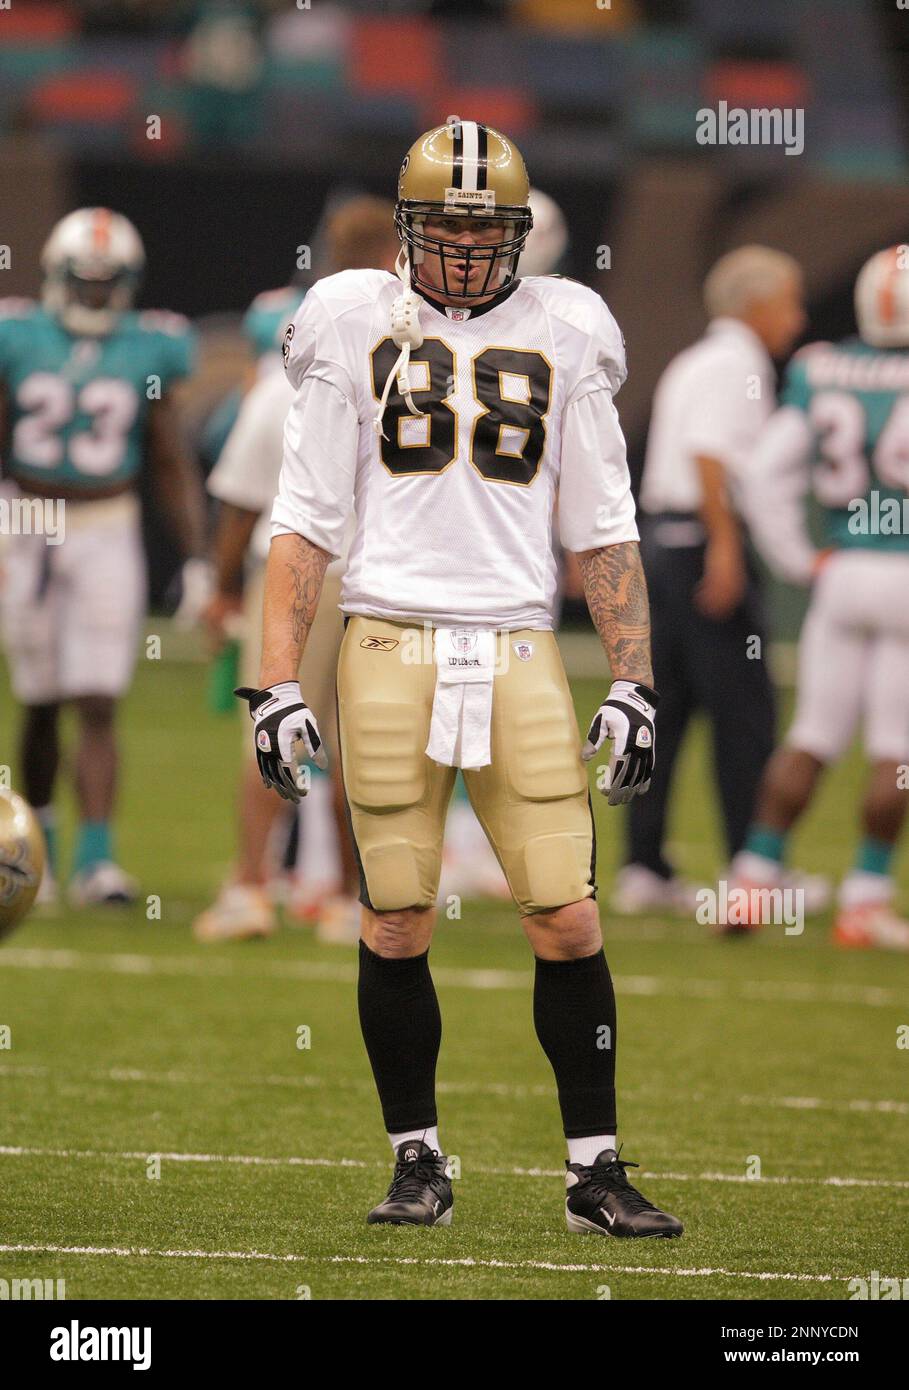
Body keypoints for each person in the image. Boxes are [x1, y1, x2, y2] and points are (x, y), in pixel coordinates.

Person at [238, 119, 682, 1237]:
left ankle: (595, 1169)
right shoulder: (348, 315)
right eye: (446, 227)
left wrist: (633, 679)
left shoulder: (571, 326)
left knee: (569, 918)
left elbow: (607, 528)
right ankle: (417, 1158)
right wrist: (272, 682)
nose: (468, 250)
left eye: (487, 230)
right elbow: (302, 525)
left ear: (522, 233)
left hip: (520, 645)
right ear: (406, 227)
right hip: (387, 643)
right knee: (396, 918)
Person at [195, 196, 400, 943]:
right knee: (366, 744)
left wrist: (218, 588)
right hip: (381, 577)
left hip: (290, 572)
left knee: (271, 727)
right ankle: (352, 898)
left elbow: (241, 500)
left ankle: (252, 888)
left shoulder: (289, 372)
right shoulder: (415, 368)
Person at [0, 208, 205, 905]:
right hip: (25, 517)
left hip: (107, 521)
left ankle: (96, 860)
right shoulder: (17, 333)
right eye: (82, 282)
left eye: (105, 282)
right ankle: (39, 855)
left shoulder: (152, 345)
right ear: (58, 277)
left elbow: (170, 455)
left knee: (97, 695)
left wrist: (197, 557)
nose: (93, 295)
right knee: (39, 695)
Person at [614, 245, 816, 916]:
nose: (797, 317)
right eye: (788, 302)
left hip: (660, 548)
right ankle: (748, 867)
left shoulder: (693, 357)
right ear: (756, 304)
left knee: (661, 717)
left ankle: (642, 866)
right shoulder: (737, 364)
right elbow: (709, 454)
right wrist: (727, 550)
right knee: (743, 716)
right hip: (703, 546)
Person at [730, 247, 909, 950]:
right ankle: (863, 898)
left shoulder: (817, 365)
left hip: (841, 574)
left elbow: (763, 473)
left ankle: (750, 879)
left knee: (811, 734)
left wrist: (797, 561)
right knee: (895, 750)